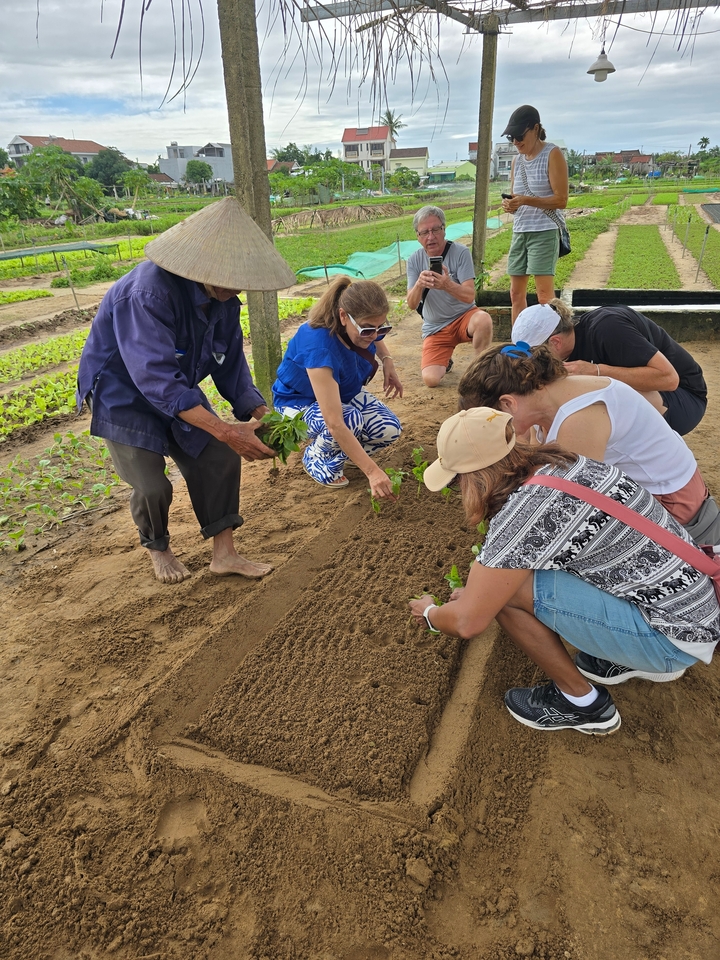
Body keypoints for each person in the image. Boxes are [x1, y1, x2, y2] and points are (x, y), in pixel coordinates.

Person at [409, 408, 720, 734]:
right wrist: (478, 593)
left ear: (473, 477)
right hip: (695, 607)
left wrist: (431, 612)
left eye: (456, 481)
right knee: (504, 581)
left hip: (671, 639)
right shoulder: (567, 464)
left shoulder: (524, 514)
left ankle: (582, 703)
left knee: (510, 591)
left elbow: (467, 621)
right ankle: (624, 654)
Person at [76, 197, 296, 584]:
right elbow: (155, 380)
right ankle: (159, 549)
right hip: (122, 393)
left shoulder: (224, 301)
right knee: (151, 484)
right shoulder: (146, 294)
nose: (236, 287)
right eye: (229, 277)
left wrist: (263, 413)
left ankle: (224, 554)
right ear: (201, 264)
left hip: (175, 387)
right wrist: (228, 430)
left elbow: (231, 365)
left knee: (219, 458)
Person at [457, 342, 720, 543]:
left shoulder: (579, 419)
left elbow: (565, 508)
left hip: (677, 509)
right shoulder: (546, 396)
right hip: (655, 495)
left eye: (492, 421)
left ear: (507, 403)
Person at [272, 276, 403, 497]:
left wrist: (387, 359)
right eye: (367, 330)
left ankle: (344, 453)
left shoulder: (358, 325)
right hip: (298, 402)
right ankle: (316, 457)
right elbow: (335, 423)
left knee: (389, 429)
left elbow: (373, 330)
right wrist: (372, 471)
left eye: (382, 328)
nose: (374, 336)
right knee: (349, 420)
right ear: (344, 316)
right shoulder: (318, 346)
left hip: (341, 391)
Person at [512, 300, 707, 436]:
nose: (533, 361)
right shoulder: (570, 341)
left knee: (595, 400)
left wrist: (597, 371)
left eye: (534, 354)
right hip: (657, 395)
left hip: (685, 398)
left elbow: (669, 379)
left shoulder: (608, 328)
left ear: (555, 342)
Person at [406, 205, 492, 387]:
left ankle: (480, 371)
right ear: (418, 237)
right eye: (424, 232)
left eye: (436, 229)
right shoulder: (414, 260)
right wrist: (419, 285)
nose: (431, 237)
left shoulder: (460, 253)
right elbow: (411, 304)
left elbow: (469, 296)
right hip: (436, 327)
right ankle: (445, 360)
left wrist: (447, 284)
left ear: (444, 230)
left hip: (464, 318)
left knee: (483, 320)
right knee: (431, 380)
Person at [500, 105, 569, 323]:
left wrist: (527, 200)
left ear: (536, 129)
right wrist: (511, 205)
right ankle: (519, 345)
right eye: (512, 137)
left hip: (544, 231)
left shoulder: (552, 154)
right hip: (520, 231)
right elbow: (516, 197)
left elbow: (561, 200)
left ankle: (550, 348)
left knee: (544, 297)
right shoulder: (516, 161)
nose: (515, 142)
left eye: (519, 136)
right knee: (515, 294)